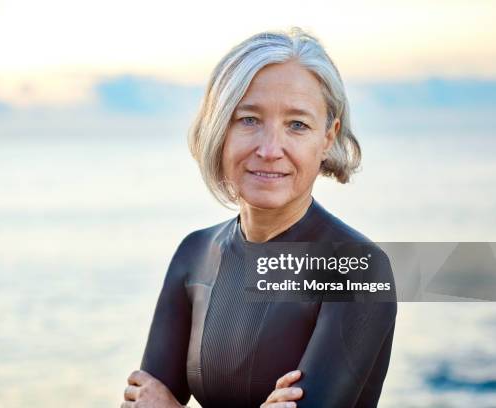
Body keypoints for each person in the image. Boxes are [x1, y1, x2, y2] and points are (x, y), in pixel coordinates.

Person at [122, 27, 397, 408]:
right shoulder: (195, 253)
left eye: (297, 125)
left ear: (328, 138)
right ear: (220, 130)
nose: (270, 149)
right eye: (249, 119)